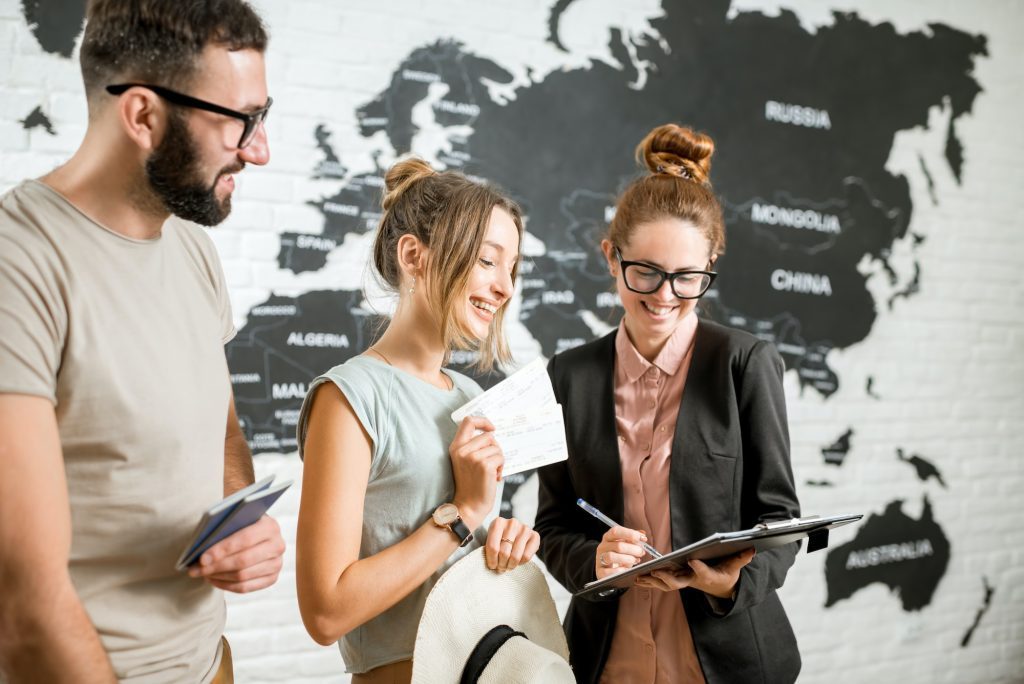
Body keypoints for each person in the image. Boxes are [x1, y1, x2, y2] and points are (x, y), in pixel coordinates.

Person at [0, 1, 285, 682]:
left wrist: (241, 525)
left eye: (262, 117)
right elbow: (26, 608)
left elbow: (220, 440)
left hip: (211, 666)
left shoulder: (191, 248)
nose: (260, 150)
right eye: (239, 123)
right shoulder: (19, 264)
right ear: (143, 116)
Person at [534, 123, 802, 684]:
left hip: (728, 661)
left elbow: (779, 519)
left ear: (711, 267)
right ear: (611, 257)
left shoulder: (746, 364)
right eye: (646, 272)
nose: (663, 295)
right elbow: (555, 522)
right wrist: (595, 562)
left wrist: (728, 582)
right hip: (607, 658)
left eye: (686, 278)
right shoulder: (568, 376)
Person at [295, 157, 540, 683]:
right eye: (487, 260)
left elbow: (455, 567)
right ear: (415, 256)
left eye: (512, 268)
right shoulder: (349, 396)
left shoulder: (472, 397)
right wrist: (464, 513)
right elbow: (325, 611)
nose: (505, 288)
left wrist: (501, 541)